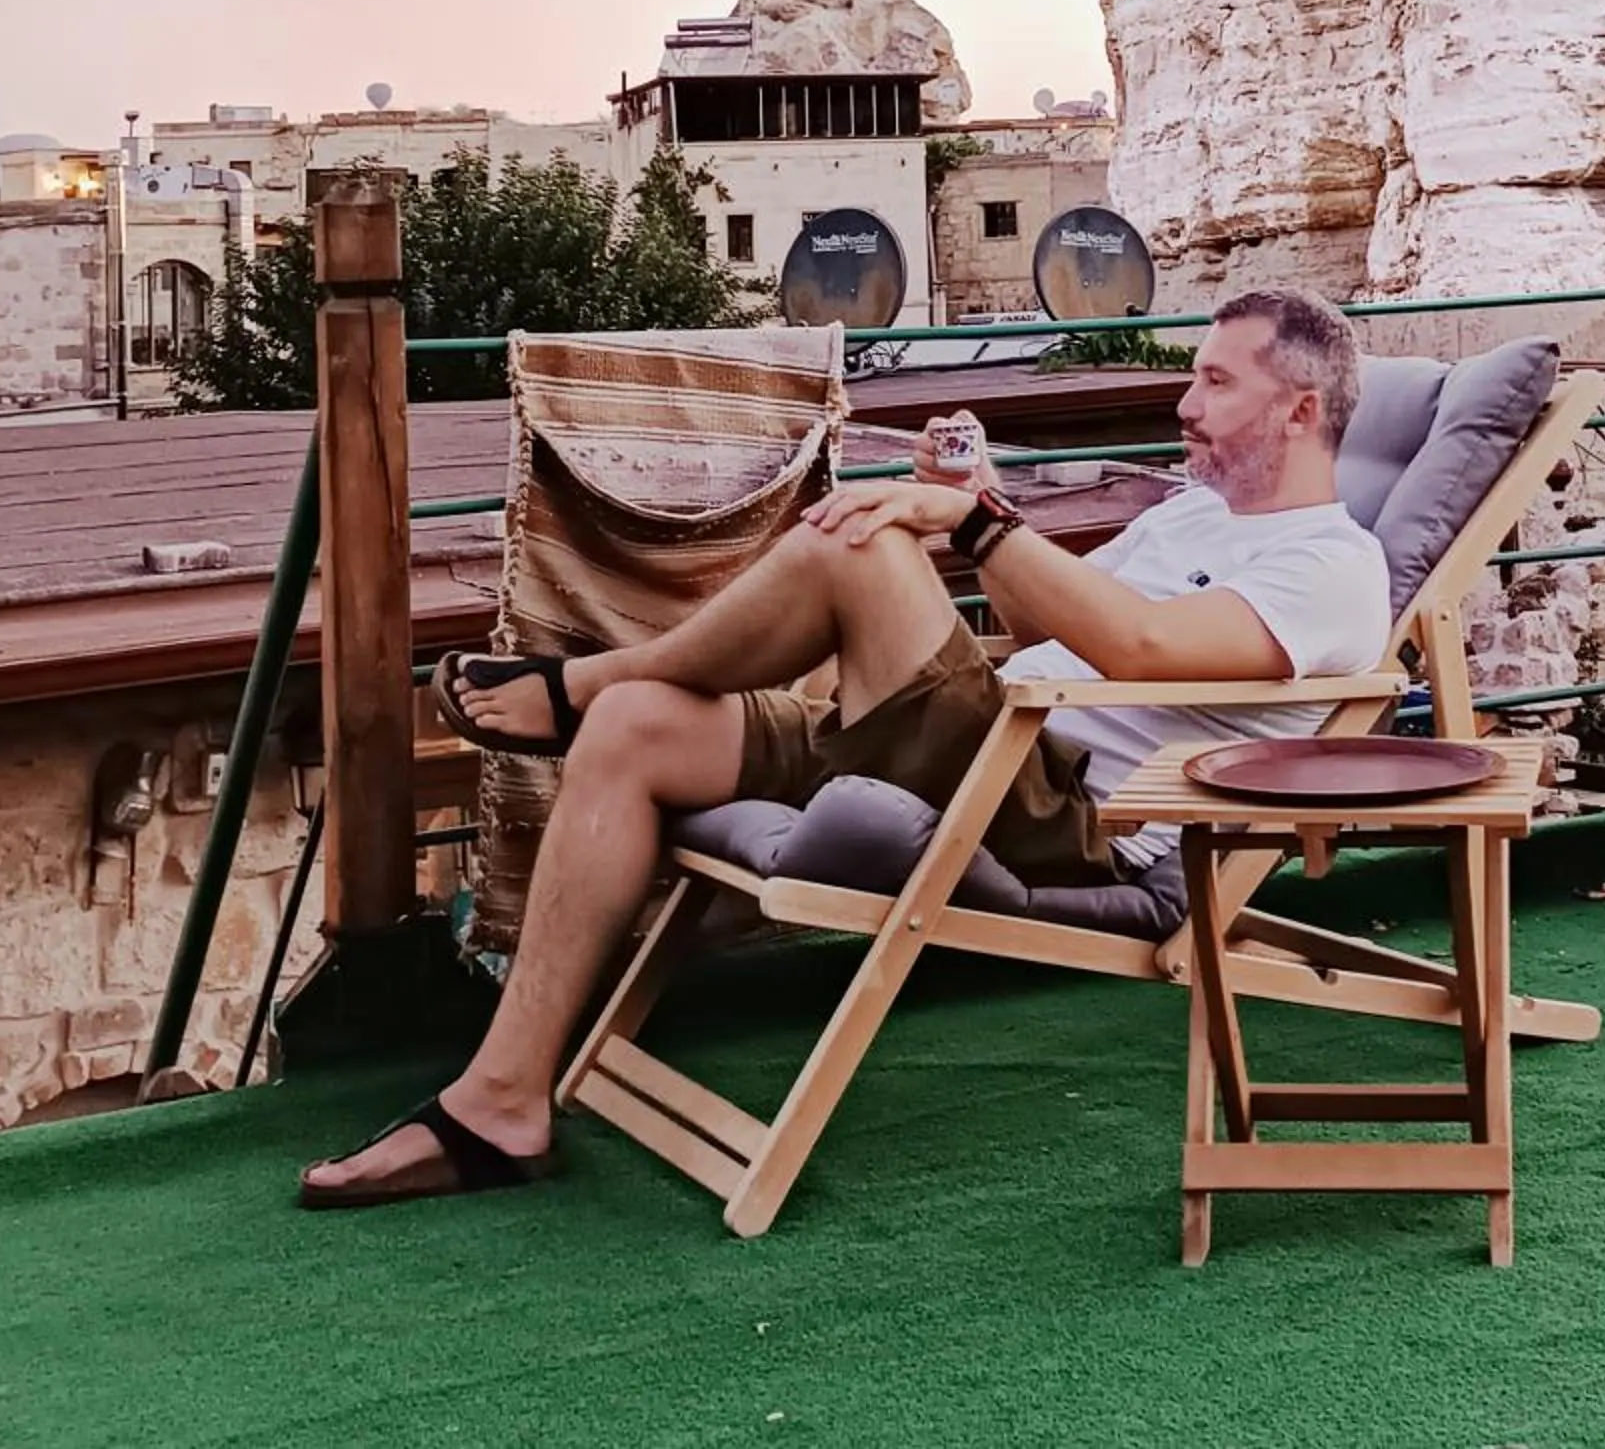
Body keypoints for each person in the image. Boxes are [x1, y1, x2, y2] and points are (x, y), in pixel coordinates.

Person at [299, 286, 1390, 1206]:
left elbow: (1145, 647)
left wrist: (957, 526)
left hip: (1067, 815)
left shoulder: (1335, 565)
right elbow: (1044, 628)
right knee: (642, 732)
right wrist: (976, 507)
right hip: (967, 747)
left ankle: (579, 682)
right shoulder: (1187, 517)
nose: (1183, 403)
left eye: (1214, 383)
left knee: (862, 557)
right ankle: (503, 1103)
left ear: (1298, 410)